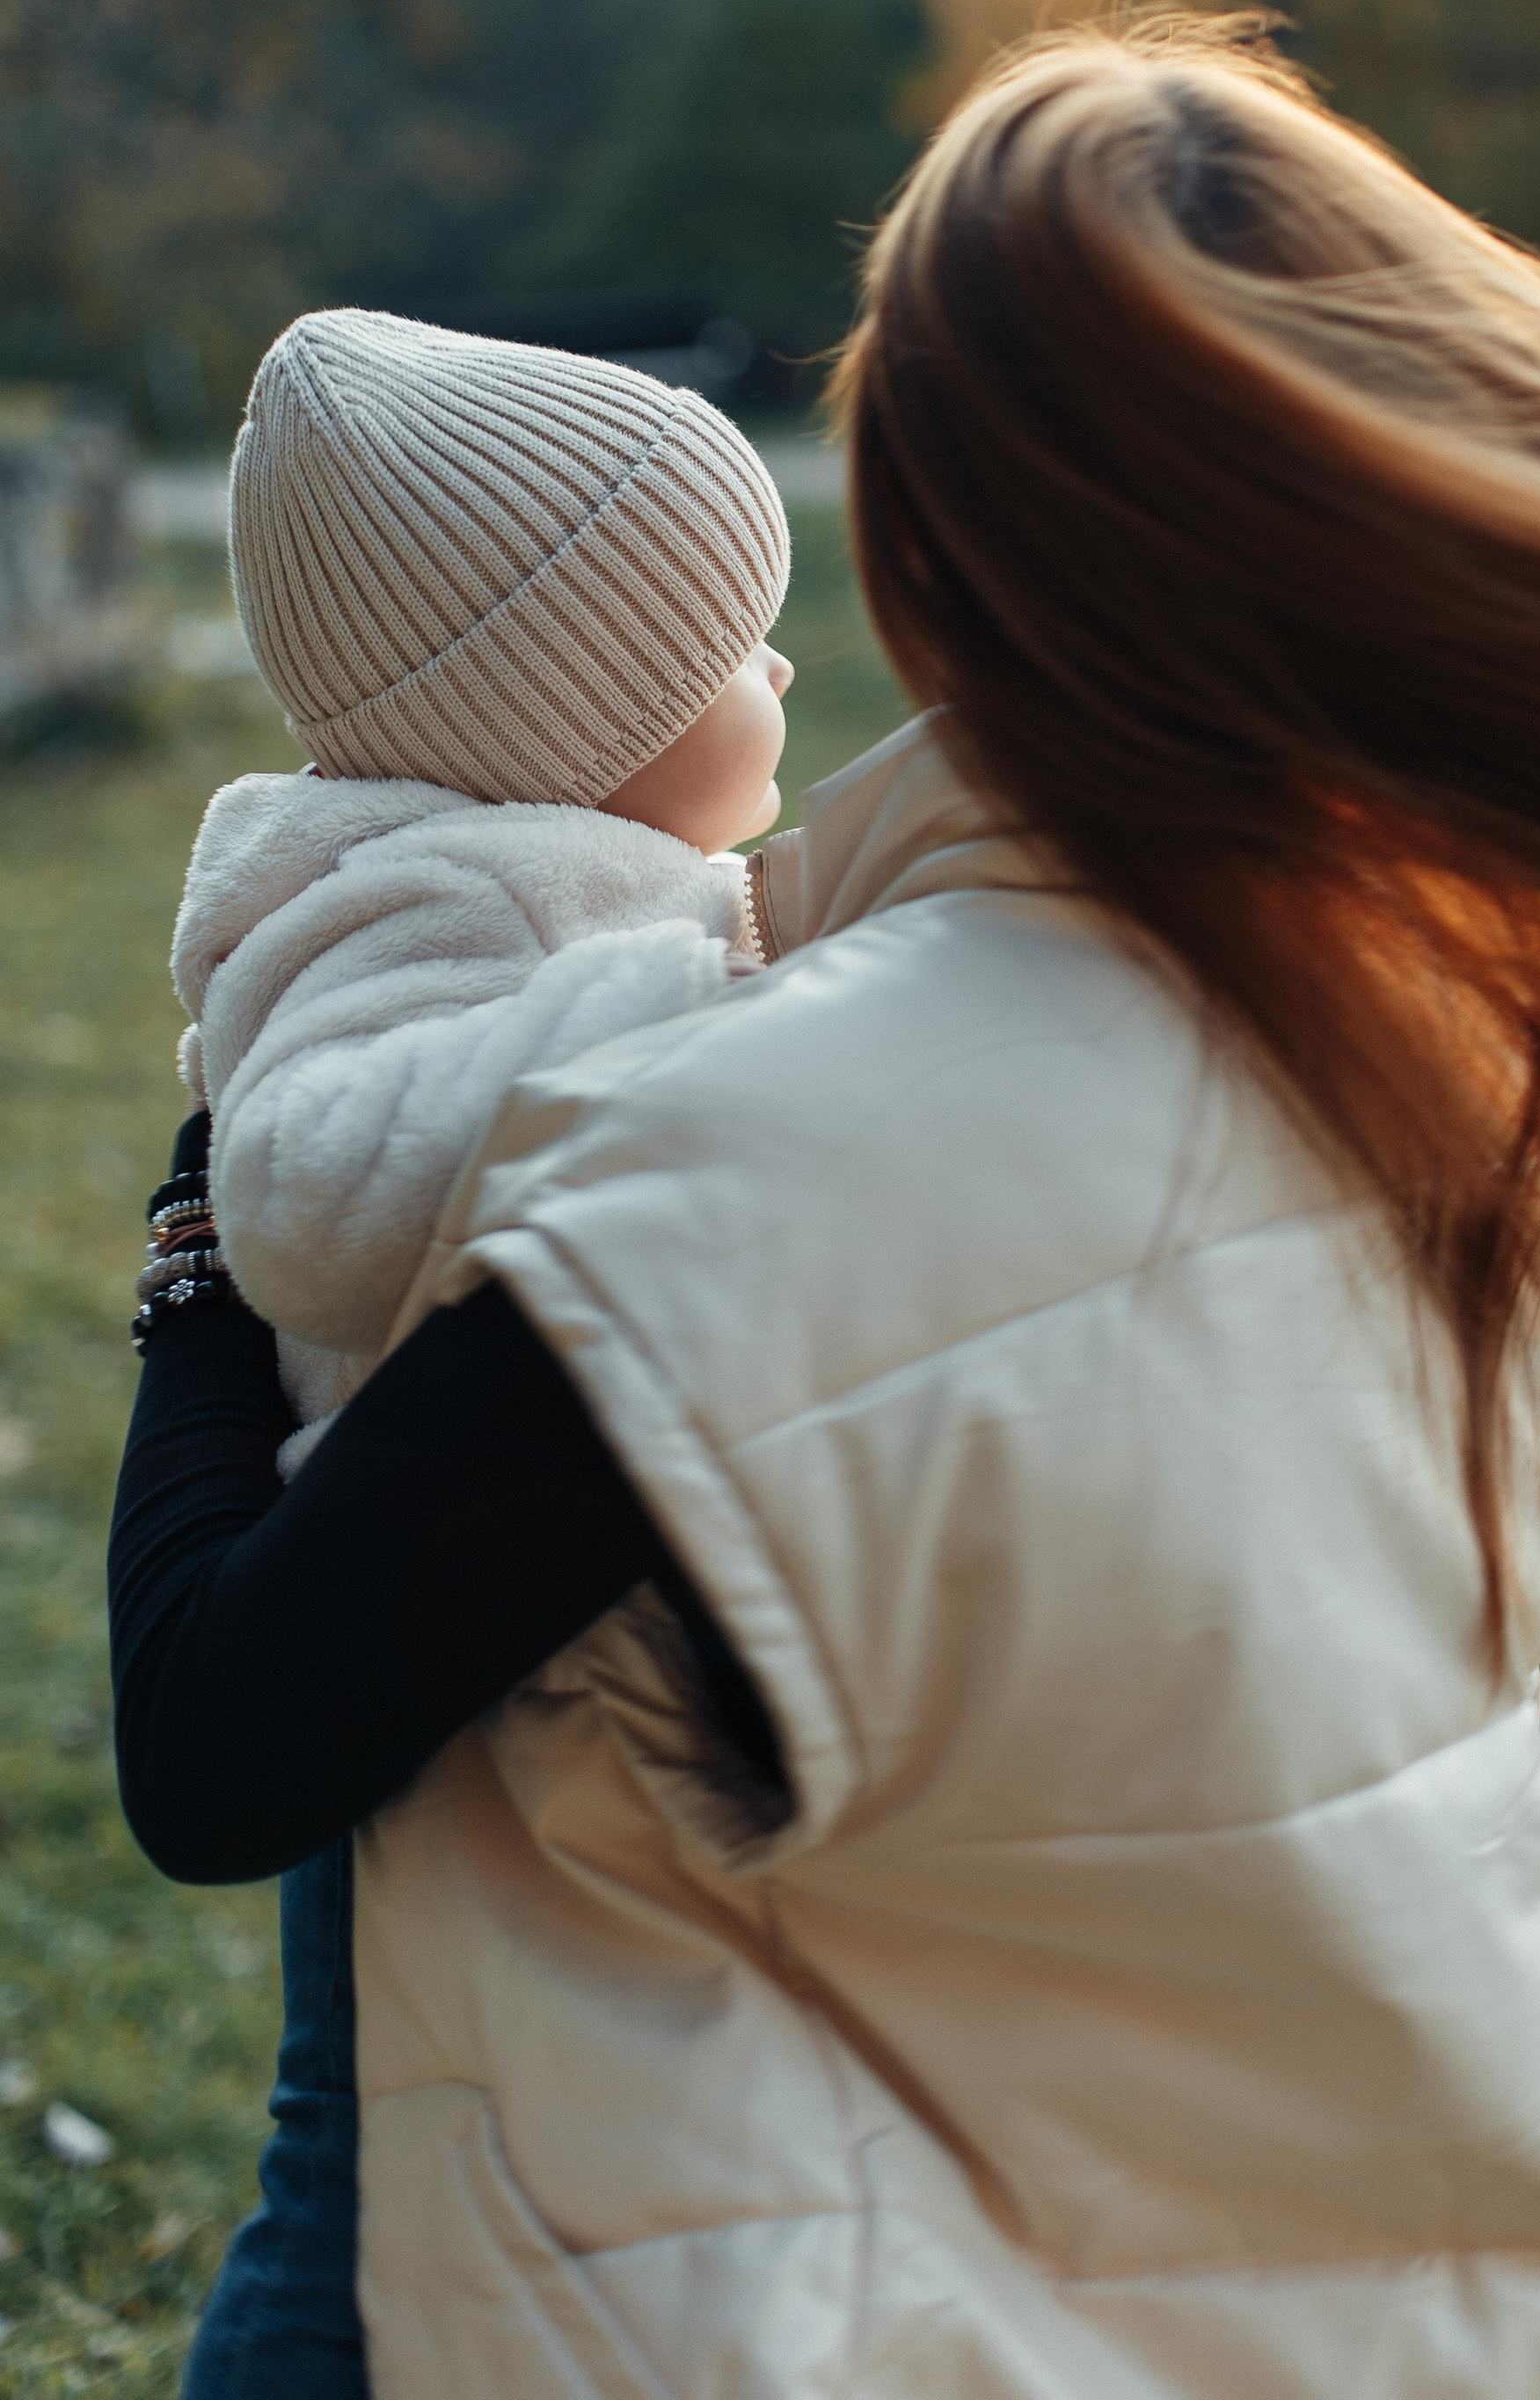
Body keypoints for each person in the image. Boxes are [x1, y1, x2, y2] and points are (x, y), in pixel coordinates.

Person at [111, 20, 1540, 2398]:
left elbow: (215, 1741)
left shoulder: (761, 1142)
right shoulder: (1450, 1008)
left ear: (952, 548)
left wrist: (199, 1244)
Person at [131, 305, 794, 2396]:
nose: (777, 673)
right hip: (404, 1667)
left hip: (518, 1623)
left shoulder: (566, 869)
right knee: (360, 2171)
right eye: (729, 649)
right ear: (566, 718)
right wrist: (700, 979)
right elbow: (305, 1193)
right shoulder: (445, 904)